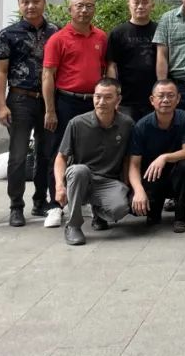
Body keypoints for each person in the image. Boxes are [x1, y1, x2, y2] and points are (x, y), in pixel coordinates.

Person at [0, 0, 58, 227]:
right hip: (20, 100)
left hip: (49, 101)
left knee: (46, 153)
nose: (31, 6)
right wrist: (1, 104)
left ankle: (40, 201)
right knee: (18, 155)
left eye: (36, 1)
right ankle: (16, 206)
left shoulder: (56, 31)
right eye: (25, 2)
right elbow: (0, 71)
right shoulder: (8, 34)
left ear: (44, 2)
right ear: (19, 4)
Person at [42, 0, 107, 229]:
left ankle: (86, 200)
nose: (84, 10)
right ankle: (55, 205)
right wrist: (50, 110)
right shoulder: (58, 39)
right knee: (59, 152)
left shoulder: (101, 36)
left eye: (89, 6)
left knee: (92, 152)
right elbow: (48, 75)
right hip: (66, 102)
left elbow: (105, 69)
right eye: (79, 6)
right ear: (70, 10)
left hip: (94, 103)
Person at [53, 78, 134, 246]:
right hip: (81, 179)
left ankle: (98, 212)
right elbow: (61, 157)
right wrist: (59, 186)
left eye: (108, 97)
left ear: (118, 100)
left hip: (108, 181)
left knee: (121, 208)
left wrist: (129, 186)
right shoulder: (77, 123)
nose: (101, 102)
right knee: (79, 170)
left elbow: (129, 158)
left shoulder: (127, 124)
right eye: (97, 97)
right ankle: (73, 226)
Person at [128, 79, 185, 232]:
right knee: (134, 208)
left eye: (171, 96)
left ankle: (180, 216)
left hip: (176, 176)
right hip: (153, 177)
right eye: (161, 96)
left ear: (178, 99)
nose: (166, 100)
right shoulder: (141, 126)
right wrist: (138, 191)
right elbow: (134, 165)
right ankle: (154, 210)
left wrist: (164, 157)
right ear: (152, 100)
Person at [106, 0, 159, 122]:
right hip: (126, 99)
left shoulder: (160, 30)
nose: (140, 6)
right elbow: (111, 65)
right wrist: (114, 94)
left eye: (145, 2)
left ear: (152, 5)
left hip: (154, 97)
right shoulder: (118, 32)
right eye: (136, 2)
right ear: (128, 4)